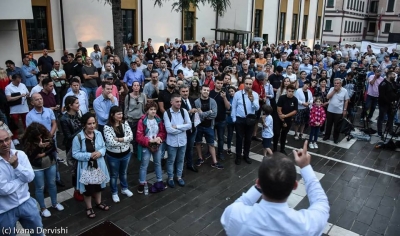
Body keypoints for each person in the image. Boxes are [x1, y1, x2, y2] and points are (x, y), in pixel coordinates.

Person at [221, 141, 329, 236]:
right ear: (295, 186)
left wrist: (258, 187)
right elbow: (321, 203)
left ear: (258, 183)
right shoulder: (306, 226)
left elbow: (239, 204)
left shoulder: (235, 216)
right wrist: (305, 167)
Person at [0, 129, 45, 235]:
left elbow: (30, 177)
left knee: (38, 233)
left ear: (11, 138)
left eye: (7, 139)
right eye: (0, 141)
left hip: (26, 202)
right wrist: (22, 180)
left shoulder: (20, 155)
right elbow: (3, 190)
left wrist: (16, 166)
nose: (5, 144)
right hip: (5, 210)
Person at [21, 122, 64, 217]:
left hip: (50, 163)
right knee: (40, 187)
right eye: (37, 136)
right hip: (36, 167)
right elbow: (29, 157)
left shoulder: (47, 136)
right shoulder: (27, 141)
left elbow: (53, 148)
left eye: (40, 134)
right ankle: (43, 208)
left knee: (52, 184)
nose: (39, 136)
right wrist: (38, 148)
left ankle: (55, 203)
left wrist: (43, 154)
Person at [72, 112, 110, 219]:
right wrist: (89, 155)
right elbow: (75, 153)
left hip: (98, 165)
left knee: (98, 186)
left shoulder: (98, 134)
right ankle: (89, 207)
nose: (92, 126)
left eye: (94, 123)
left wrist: (100, 153)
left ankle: (98, 203)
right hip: (86, 167)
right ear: (84, 124)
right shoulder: (78, 137)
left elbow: (103, 147)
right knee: (88, 189)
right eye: (89, 124)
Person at [103, 106, 134, 202]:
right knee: (114, 175)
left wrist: (120, 139)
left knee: (123, 173)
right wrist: (126, 140)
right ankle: (114, 192)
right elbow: (111, 142)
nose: (121, 116)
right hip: (113, 155)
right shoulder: (107, 127)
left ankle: (124, 188)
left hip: (126, 153)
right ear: (112, 115)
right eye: (118, 114)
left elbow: (131, 136)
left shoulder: (125, 123)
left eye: (121, 113)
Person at [136, 101, 167, 193]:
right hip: (146, 145)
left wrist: (159, 138)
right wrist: (149, 141)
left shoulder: (158, 119)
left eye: (155, 109)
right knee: (144, 165)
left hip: (157, 144)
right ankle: (141, 183)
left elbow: (162, 131)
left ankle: (159, 181)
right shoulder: (142, 121)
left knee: (157, 163)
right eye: (151, 109)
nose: (153, 111)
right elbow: (139, 137)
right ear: (147, 110)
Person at [163, 93, 192, 188]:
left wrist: (177, 127)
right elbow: (168, 130)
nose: (179, 103)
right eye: (177, 101)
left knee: (180, 160)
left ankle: (179, 177)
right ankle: (170, 178)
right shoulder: (167, 113)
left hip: (183, 141)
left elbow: (190, 125)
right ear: (171, 102)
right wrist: (182, 129)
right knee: (171, 160)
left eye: (180, 101)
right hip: (172, 142)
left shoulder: (184, 111)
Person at [60, 96, 84, 201]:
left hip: (82, 144)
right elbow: (68, 137)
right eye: (77, 103)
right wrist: (83, 129)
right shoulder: (64, 119)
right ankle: (77, 190)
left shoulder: (79, 113)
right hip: (72, 147)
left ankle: (85, 187)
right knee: (75, 170)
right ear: (70, 105)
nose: (79, 105)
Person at [231, 78, 260, 165]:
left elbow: (257, 108)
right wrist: (234, 119)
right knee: (239, 139)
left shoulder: (255, 94)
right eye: (246, 84)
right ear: (244, 84)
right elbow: (234, 107)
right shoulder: (237, 94)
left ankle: (246, 155)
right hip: (240, 119)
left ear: (252, 85)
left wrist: (252, 100)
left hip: (250, 120)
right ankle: (238, 156)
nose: (248, 86)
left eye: (250, 84)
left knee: (248, 139)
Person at [194, 85, 224, 169]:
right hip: (199, 126)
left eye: (207, 90)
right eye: (204, 90)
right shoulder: (196, 102)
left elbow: (214, 114)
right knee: (198, 142)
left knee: (211, 144)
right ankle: (200, 158)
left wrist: (203, 114)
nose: (206, 91)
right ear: (201, 91)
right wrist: (209, 112)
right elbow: (198, 116)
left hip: (209, 126)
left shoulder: (213, 101)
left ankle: (215, 162)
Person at [210, 77, 231, 160]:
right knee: (211, 137)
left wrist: (224, 97)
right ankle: (210, 151)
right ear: (214, 83)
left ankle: (220, 152)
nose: (220, 85)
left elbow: (228, 107)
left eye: (221, 83)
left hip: (221, 119)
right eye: (218, 83)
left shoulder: (225, 93)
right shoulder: (210, 93)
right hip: (212, 119)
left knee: (221, 138)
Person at [5, 74, 29, 146]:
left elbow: (28, 93)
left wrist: (27, 95)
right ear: (13, 80)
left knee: (26, 123)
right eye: (17, 81)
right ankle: (15, 138)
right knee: (15, 124)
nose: (19, 82)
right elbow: (8, 98)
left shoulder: (23, 85)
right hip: (14, 109)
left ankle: (27, 136)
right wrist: (20, 96)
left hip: (24, 107)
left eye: (20, 80)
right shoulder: (8, 87)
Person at [273, 85, 298, 154]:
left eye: (292, 91)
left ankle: (282, 149)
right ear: (286, 91)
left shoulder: (295, 99)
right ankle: (274, 148)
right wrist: (282, 118)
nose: (291, 93)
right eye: (289, 91)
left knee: (284, 134)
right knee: (277, 133)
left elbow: (295, 111)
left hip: (288, 119)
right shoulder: (282, 98)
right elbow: (278, 109)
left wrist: (286, 116)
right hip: (279, 118)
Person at [323, 78, 349, 144]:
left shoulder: (344, 91)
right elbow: (328, 97)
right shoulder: (332, 89)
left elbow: (346, 100)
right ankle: (327, 136)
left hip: (339, 111)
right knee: (328, 124)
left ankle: (335, 138)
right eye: (335, 83)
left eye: (338, 83)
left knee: (337, 126)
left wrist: (345, 110)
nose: (336, 84)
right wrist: (334, 91)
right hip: (330, 110)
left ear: (341, 84)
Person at [179, 85, 198, 172]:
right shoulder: (178, 102)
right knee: (181, 150)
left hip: (192, 128)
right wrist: (189, 111)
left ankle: (190, 164)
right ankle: (180, 168)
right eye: (183, 91)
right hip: (183, 129)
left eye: (186, 91)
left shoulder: (191, 100)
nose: (185, 93)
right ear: (180, 92)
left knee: (190, 148)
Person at [124, 81, 147, 155]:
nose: (136, 87)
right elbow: (126, 108)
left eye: (138, 85)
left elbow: (145, 107)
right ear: (132, 87)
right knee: (133, 137)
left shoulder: (143, 96)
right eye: (135, 85)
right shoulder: (128, 96)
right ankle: (135, 152)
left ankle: (141, 151)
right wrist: (126, 118)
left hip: (140, 120)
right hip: (131, 120)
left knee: (141, 136)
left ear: (140, 87)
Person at [377, 71, 397, 137]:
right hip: (384, 104)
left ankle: (390, 130)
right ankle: (379, 132)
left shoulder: (393, 83)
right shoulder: (383, 84)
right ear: (389, 75)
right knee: (381, 118)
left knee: (391, 118)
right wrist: (389, 102)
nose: (395, 76)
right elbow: (382, 96)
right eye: (393, 75)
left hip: (392, 104)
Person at [226, 86, 236, 156]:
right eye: (229, 92)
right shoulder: (228, 99)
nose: (231, 93)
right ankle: (229, 148)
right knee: (230, 134)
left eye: (232, 91)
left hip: (237, 120)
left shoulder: (238, 99)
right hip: (230, 120)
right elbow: (226, 110)